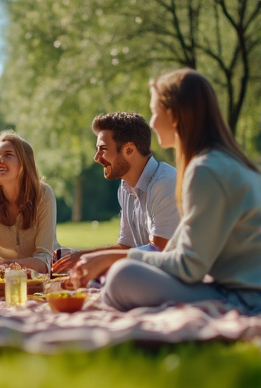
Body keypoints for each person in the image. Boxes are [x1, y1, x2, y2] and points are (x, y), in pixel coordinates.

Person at [71, 68, 261, 315]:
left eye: (154, 112)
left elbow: (188, 266)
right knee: (122, 273)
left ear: (173, 115)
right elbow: (178, 251)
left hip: (244, 299)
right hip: (233, 289)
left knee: (123, 276)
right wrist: (104, 258)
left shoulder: (205, 170)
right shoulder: (219, 162)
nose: (151, 122)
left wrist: (114, 260)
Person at [53, 112, 180, 274]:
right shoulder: (126, 187)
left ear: (129, 149)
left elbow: (159, 252)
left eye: (103, 149)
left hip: (178, 279)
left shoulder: (165, 183)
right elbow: (126, 246)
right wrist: (77, 256)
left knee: (111, 281)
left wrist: (95, 259)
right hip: (150, 277)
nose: (96, 158)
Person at [0, 129, 58, 274]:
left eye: (8, 155)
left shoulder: (44, 195)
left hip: (49, 273)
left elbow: (45, 261)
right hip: (5, 275)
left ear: (24, 164)